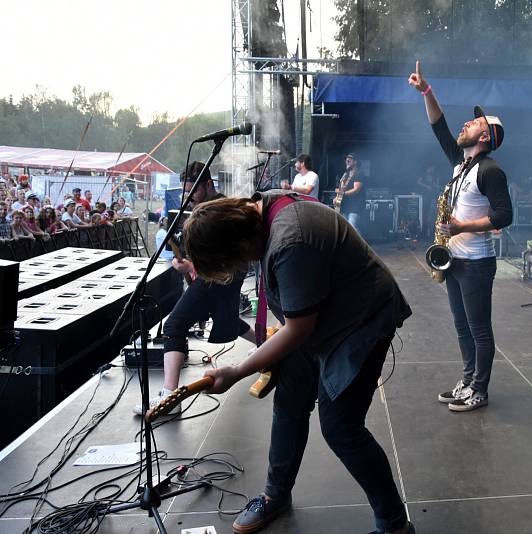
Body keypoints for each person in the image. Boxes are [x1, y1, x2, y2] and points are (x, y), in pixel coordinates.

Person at [182, 189, 414, 534]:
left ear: (242, 245)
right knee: (289, 404)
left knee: (342, 429)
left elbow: (299, 330)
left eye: (236, 261)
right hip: (322, 314)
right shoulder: (261, 209)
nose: (243, 266)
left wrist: (236, 371)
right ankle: (275, 496)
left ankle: (395, 525)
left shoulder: (291, 241)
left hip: (360, 322)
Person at [408, 60, 513, 411]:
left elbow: (504, 215)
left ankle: (479, 390)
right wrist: (427, 91)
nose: (466, 123)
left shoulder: (491, 170)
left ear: (484, 137)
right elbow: (439, 126)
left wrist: (460, 227)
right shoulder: (461, 163)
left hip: (477, 263)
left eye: (475, 123)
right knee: (463, 327)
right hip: (456, 259)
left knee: (479, 330)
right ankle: (467, 380)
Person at [132, 161, 255, 416]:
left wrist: (189, 267)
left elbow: (225, 253)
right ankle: (270, 346)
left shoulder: (217, 211)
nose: (189, 199)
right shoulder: (206, 207)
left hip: (218, 277)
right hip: (220, 276)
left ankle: (170, 396)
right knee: (227, 319)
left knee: (174, 325)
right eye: (186, 193)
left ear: (209, 185)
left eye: (194, 192)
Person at [335, 153, 365, 233]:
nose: (347, 160)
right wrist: (337, 197)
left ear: (355, 162)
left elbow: (356, 190)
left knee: (352, 228)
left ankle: (358, 244)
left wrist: (342, 194)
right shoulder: (345, 175)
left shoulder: (359, 173)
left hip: (355, 206)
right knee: (345, 228)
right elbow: (341, 189)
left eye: (350, 158)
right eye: (346, 158)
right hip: (345, 205)